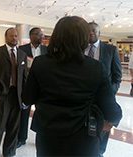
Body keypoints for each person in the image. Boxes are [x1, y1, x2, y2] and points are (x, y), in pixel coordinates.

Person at [22, 16, 122, 157]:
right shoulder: (95, 67)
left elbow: (27, 97)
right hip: (83, 139)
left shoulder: (40, 63)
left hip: (48, 136)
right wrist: (112, 120)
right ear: (83, 38)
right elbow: (112, 111)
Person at [0, 28, 27, 157]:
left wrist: (24, 96)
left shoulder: (22, 55)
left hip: (17, 96)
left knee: (13, 128)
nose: (14, 38)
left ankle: (9, 153)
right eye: (11, 36)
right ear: (6, 37)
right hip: (2, 95)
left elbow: (24, 76)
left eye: (16, 36)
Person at [85, 21, 122, 157]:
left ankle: (100, 152)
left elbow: (117, 76)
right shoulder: (79, 48)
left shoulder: (110, 50)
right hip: (83, 99)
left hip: (104, 101)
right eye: (88, 30)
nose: (91, 33)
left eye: (94, 30)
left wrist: (110, 94)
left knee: (103, 131)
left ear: (99, 33)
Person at [17, 27, 47, 148]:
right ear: (31, 36)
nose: (41, 37)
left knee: (43, 113)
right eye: (38, 34)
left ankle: (41, 139)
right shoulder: (22, 49)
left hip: (43, 86)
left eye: (42, 35)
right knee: (24, 113)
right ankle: (21, 138)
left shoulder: (47, 50)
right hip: (27, 85)